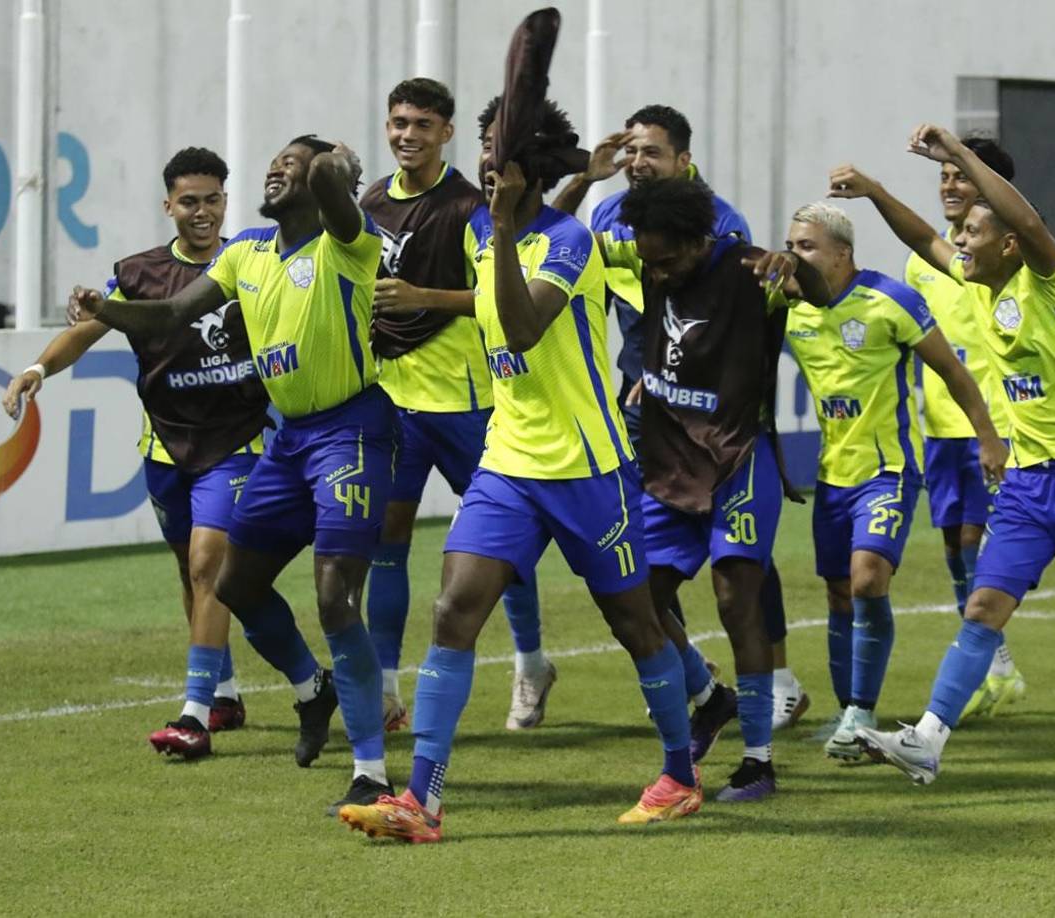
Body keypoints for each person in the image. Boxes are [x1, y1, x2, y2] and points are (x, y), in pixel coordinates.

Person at [337, 99, 701, 843]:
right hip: (508, 460)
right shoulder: (480, 229)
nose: (480, 158)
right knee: (452, 612)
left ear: (525, 169)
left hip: (586, 467)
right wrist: (492, 234)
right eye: (479, 143)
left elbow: (525, 326)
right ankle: (422, 801)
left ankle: (680, 776)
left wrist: (503, 229)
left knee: (636, 624)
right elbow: (486, 303)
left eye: (492, 148)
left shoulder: (569, 242)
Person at [68, 136, 396, 813]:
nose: (274, 169)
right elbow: (166, 314)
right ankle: (313, 690)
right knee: (235, 584)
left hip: (351, 430)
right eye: (272, 162)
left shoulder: (347, 244)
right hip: (291, 437)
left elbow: (338, 202)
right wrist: (107, 312)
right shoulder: (246, 252)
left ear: (318, 183)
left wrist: (331, 169)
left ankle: (372, 769)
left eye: (291, 164)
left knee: (335, 596)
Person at [835, 124, 1055, 794]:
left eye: (973, 234)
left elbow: (1027, 218)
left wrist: (961, 156)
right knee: (982, 607)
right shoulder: (984, 286)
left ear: (1007, 242)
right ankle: (927, 742)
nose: (959, 246)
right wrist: (879, 192)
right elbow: (924, 239)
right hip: (1030, 484)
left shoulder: (1053, 282)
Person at [2, 147, 269, 759]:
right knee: (187, 567)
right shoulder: (139, 273)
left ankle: (194, 714)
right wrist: (37, 368)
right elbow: (88, 330)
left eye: (213, 200)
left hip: (236, 442)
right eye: (189, 202)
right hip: (166, 446)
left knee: (209, 565)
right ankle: (224, 691)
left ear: (226, 202)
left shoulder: (252, 264)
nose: (202, 213)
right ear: (168, 205)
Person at [555, 103, 809, 732]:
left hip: (714, 416)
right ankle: (693, 682)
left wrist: (675, 374)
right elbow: (549, 243)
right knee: (643, 568)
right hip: (645, 404)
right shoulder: (612, 213)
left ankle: (778, 680)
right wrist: (586, 178)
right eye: (632, 151)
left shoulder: (720, 226)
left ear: (684, 161)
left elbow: (731, 326)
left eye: (653, 153)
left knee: (742, 558)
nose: (638, 163)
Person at [780, 202, 1007, 761]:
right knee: (838, 592)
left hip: (889, 471)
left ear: (841, 254)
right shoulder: (788, 310)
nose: (795, 254)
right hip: (833, 474)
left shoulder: (891, 300)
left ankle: (861, 709)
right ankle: (846, 710)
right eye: (792, 244)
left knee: (866, 579)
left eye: (806, 246)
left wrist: (987, 438)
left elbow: (953, 372)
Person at [360, 77, 552, 733]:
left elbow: (501, 297)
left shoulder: (472, 207)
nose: (405, 135)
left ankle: (531, 664)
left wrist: (424, 298)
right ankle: (384, 690)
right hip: (393, 404)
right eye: (397, 122)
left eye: (420, 124)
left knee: (507, 546)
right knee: (386, 542)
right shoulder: (372, 203)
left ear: (445, 133)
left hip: (467, 405)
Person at [834, 139, 1027, 721]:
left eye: (961, 176)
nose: (949, 185)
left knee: (985, 550)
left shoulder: (1013, 256)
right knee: (955, 547)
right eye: (943, 176)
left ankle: (993, 664)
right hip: (941, 431)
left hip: (998, 426)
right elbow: (921, 245)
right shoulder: (935, 260)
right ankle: (997, 669)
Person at [620, 177, 798, 801]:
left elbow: (821, 290)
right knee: (637, 600)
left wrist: (797, 266)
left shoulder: (753, 271)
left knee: (734, 600)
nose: (658, 273)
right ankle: (707, 695)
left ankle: (758, 761)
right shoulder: (644, 258)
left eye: (669, 260)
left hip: (737, 457)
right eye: (650, 262)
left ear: (701, 241)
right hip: (667, 460)